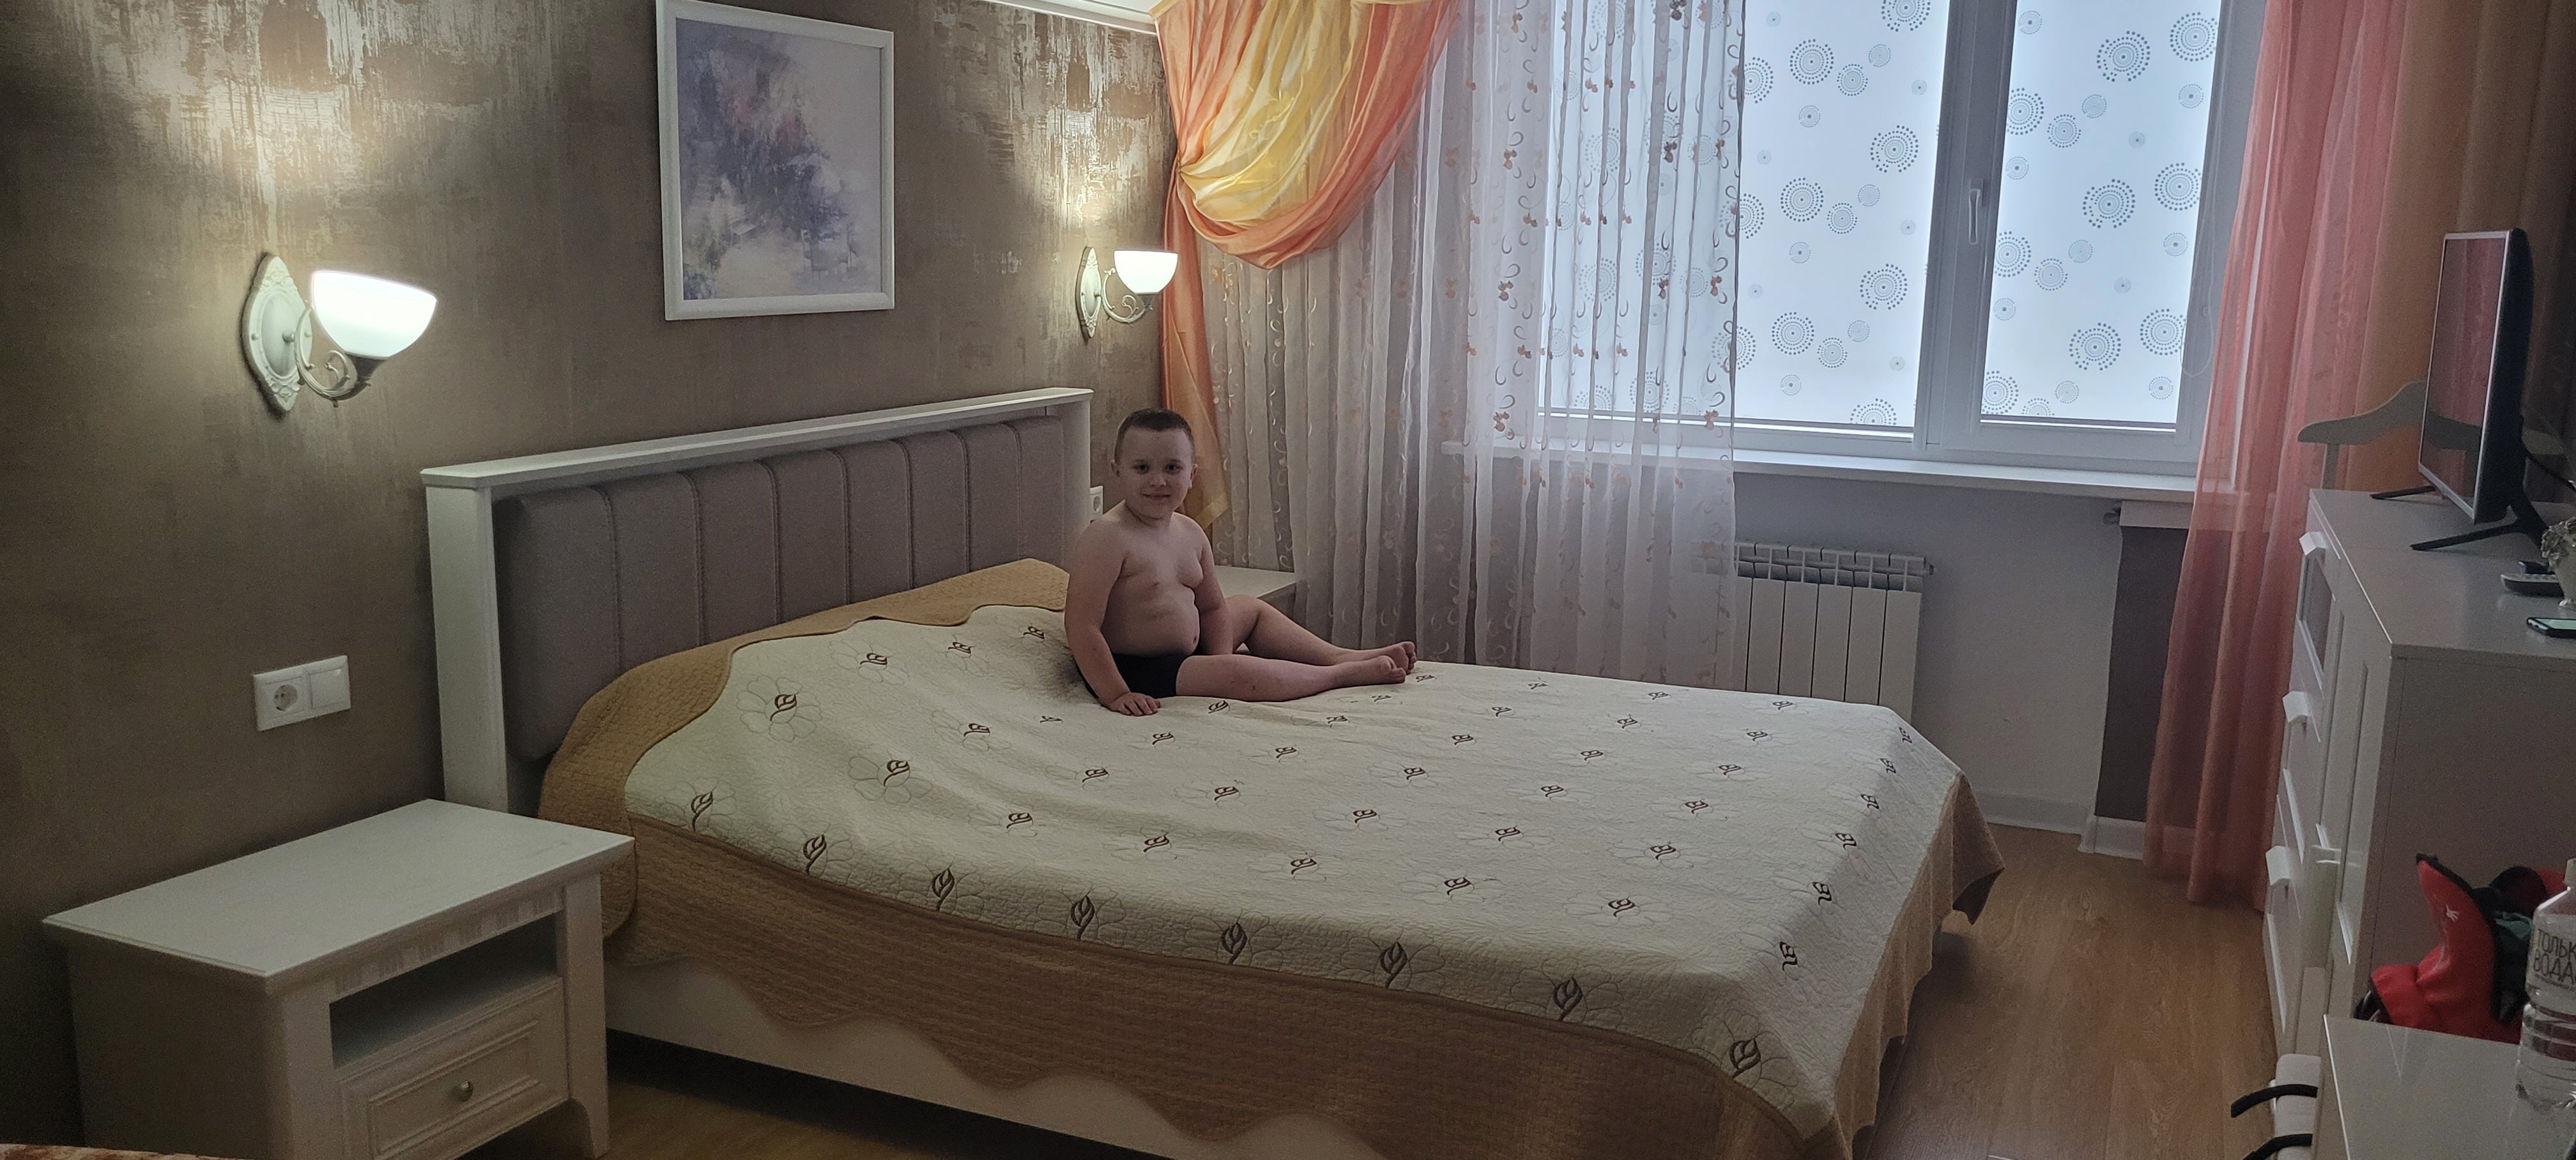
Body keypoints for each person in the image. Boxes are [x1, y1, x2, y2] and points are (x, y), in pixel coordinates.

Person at [1064, 408, 1416, 715]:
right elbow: (1082, 626)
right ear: (1117, 470)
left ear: (1191, 475)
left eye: (1172, 468)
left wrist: (1218, 657)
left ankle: (1339, 656)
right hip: (1138, 668)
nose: (1158, 480)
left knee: (1250, 607)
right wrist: (1116, 693)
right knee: (1241, 675)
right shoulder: (1107, 537)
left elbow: (1212, 607)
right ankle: (1338, 676)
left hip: (1195, 651)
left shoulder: (1189, 532)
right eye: (1142, 468)